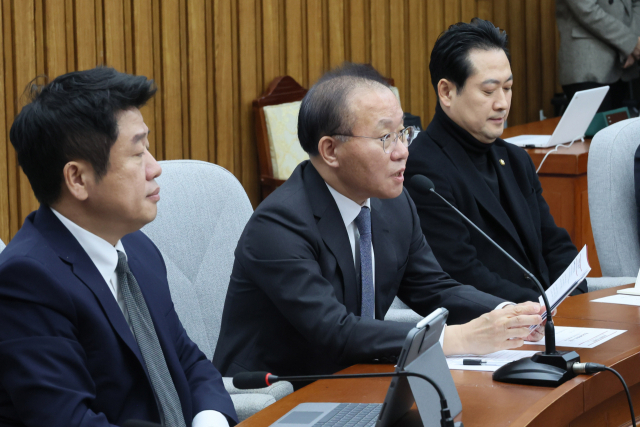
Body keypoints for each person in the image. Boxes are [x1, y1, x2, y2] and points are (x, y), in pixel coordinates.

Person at [213, 63, 544, 380]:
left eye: (404, 133)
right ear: (330, 150)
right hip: (276, 397)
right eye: (386, 138)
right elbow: (335, 330)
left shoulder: (394, 204)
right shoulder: (279, 224)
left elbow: (433, 287)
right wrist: (456, 339)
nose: (402, 151)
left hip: (361, 377)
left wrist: (509, 313)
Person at [0, 67, 237, 427]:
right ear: (77, 179)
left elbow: (189, 361)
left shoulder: (136, 248)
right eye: (138, 152)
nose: (155, 167)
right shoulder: (26, 281)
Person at [404, 19, 588, 305]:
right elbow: (461, 272)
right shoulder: (423, 171)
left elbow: (554, 243)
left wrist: (573, 299)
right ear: (446, 92)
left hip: (549, 319)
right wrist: (541, 309)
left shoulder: (514, 158)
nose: (502, 103)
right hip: (497, 327)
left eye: (508, 88)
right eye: (489, 91)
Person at [556, 0, 640, 112]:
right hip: (589, 62)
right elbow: (587, 10)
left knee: (618, 128)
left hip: (622, 64)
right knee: (595, 128)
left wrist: (631, 45)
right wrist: (630, 43)